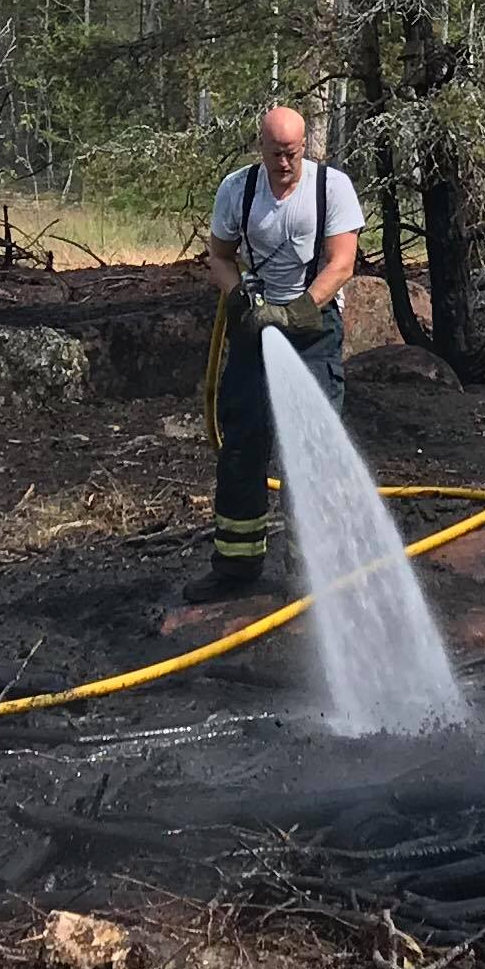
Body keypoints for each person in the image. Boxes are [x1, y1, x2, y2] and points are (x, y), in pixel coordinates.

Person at [191, 102, 363, 603]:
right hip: (253, 329)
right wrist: (241, 297)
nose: (283, 164)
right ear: (260, 149)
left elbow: (342, 263)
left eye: (291, 153)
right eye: (274, 154)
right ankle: (236, 566)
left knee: (311, 448)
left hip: (312, 329)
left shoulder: (331, 189)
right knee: (243, 444)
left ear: (304, 146)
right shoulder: (237, 190)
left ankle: (312, 572)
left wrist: (297, 311)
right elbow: (219, 258)